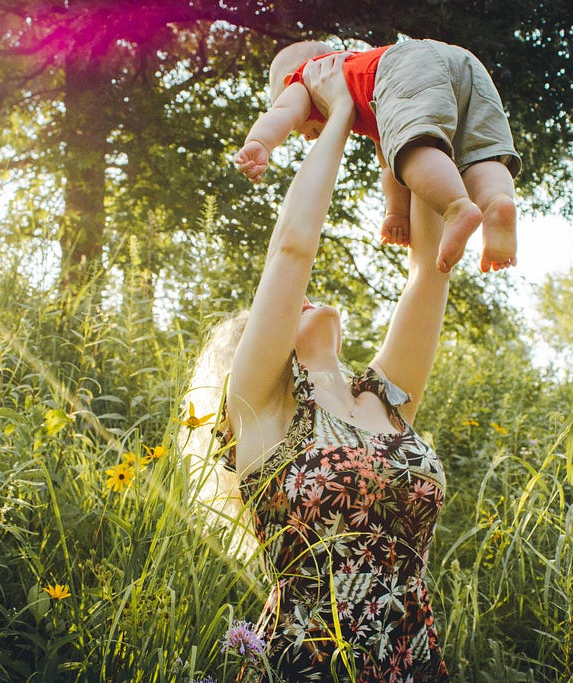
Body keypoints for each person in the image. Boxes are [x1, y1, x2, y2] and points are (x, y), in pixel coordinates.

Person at [192, 55, 451, 681]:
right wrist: (337, 113)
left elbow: (431, 271)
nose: (302, 298)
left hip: (412, 664)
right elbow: (292, 246)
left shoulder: (385, 400)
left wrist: (398, 114)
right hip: (309, 665)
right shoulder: (264, 407)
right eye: (289, 309)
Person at [233, 38, 521, 275]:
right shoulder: (371, 92)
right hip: (463, 63)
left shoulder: (308, 78)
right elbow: (390, 166)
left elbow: (282, 112)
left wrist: (260, 141)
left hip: (407, 64)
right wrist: (396, 214)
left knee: (414, 150)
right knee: (479, 153)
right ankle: (496, 203)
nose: (307, 135)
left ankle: (457, 207)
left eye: (301, 130)